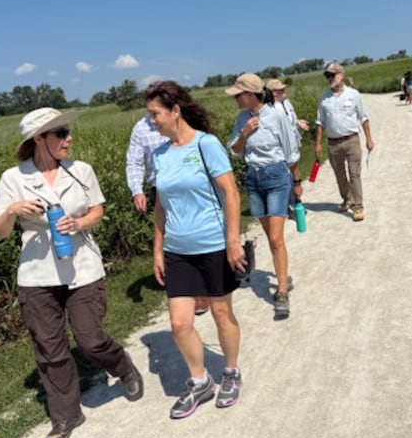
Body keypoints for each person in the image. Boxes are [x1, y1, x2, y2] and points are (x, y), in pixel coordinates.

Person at [0, 107, 143, 438]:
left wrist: (79, 223)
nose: (68, 138)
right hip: (37, 274)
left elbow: (97, 210)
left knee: (90, 339)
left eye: (67, 132)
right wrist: (12, 210)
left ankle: (123, 367)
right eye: (60, 133)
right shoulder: (13, 178)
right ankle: (66, 415)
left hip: (82, 267)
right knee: (49, 348)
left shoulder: (80, 170)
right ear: (38, 139)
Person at [146, 81, 245, 419]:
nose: (152, 121)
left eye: (155, 114)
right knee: (179, 323)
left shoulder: (206, 145)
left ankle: (231, 372)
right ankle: (200, 380)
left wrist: (233, 241)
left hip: (213, 245)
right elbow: (160, 206)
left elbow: (231, 193)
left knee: (221, 313)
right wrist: (158, 250)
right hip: (177, 250)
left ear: (175, 111)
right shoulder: (159, 155)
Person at [227, 73, 301, 318]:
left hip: (276, 176)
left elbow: (291, 151)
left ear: (250, 94)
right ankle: (283, 275)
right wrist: (244, 133)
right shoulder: (242, 119)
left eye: (238, 95)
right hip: (253, 179)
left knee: (277, 238)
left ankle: (282, 292)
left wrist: (296, 182)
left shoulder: (276, 115)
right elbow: (235, 152)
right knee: (270, 236)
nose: (236, 99)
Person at [126, 113, 210, 316]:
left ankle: (201, 289)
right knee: (173, 237)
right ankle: (186, 286)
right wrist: (137, 190)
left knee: (195, 233)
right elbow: (134, 162)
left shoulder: (184, 119)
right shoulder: (141, 128)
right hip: (161, 189)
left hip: (189, 184)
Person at [315, 62, 375, 222]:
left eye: (332, 75)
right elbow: (320, 122)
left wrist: (369, 138)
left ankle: (358, 206)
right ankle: (347, 198)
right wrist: (318, 144)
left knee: (354, 174)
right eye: (328, 76)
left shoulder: (354, 95)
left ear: (341, 75)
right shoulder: (324, 99)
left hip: (351, 140)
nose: (330, 78)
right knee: (339, 175)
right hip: (333, 143)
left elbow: (363, 117)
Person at [266, 77, 308, 218]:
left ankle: (296, 203)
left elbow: (290, 120)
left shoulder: (286, 103)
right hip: (281, 148)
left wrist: (298, 122)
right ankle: (290, 206)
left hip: (293, 144)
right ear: (273, 92)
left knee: (294, 175)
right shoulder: (270, 109)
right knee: (286, 177)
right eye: (281, 89)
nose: (284, 91)